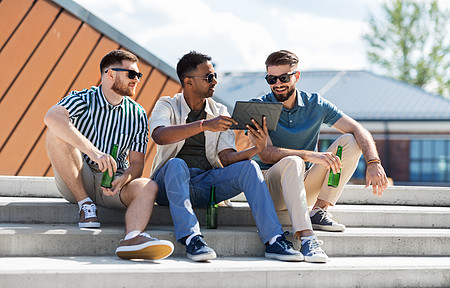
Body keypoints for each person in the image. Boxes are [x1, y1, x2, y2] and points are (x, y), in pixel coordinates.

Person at [149, 51, 303, 262]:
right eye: (209, 77)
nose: (215, 81)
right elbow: (159, 135)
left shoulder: (219, 110)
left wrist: (256, 149)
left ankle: (274, 239)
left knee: (249, 167)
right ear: (188, 82)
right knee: (177, 164)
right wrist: (204, 125)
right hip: (168, 185)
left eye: (215, 75)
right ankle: (192, 238)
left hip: (204, 184)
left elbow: (227, 159)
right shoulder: (167, 104)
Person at [249, 50, 388, 263]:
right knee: (294, 161)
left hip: (302, 184)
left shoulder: (315, 103)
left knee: (350, 141)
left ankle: (319, 210)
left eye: (283, 78)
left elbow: (358, 129)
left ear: (296, 76)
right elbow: (266, 153)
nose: (277, 84)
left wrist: (374, 163)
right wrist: (311, 156)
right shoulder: (259, 106)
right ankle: (306, 239)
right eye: (271, 79)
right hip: (271, 188)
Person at [44, 49, 174, 261]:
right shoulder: (83, 98)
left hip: (113, 184)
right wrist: (94, 153)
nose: (136, 80)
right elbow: (52, 116)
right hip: (78, 176)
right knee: (55, 133)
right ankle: (85, 205)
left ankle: (132, 238)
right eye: (131, 74)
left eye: (138, 75)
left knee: (148, 185)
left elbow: (137, 164)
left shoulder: (138, 114)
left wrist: (125, 178)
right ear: (110, 74)